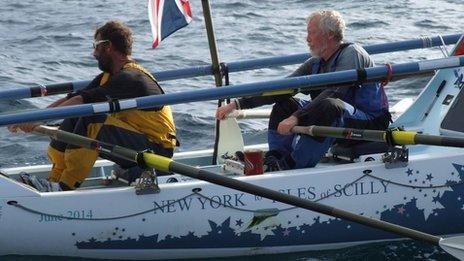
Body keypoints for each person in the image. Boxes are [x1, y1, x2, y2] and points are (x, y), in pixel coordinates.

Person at [8, 21, 177, 191]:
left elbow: (80, 102)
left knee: (91, 119)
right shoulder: (109, 76)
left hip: (156, 152)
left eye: (95, 46)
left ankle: (64, 187)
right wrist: (32, 118)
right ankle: (54, 180)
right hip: (137, 141)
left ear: (108, 46)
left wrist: (36, 121)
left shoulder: (131, 78)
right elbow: (73, 99)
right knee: (75, 116)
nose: (94, 53)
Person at [216, 9, 390, 170]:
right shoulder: (316, 62)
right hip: (340, 117)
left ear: (329, 34)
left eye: (311, 32)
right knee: (286, 103)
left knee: (329, 105)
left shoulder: (352, 53)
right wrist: (237, 104)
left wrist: (296, 118)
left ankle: (292, 165)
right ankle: (275, 159)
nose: (307, 38)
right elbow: (283, 88)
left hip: (370, 122)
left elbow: (336, 92)